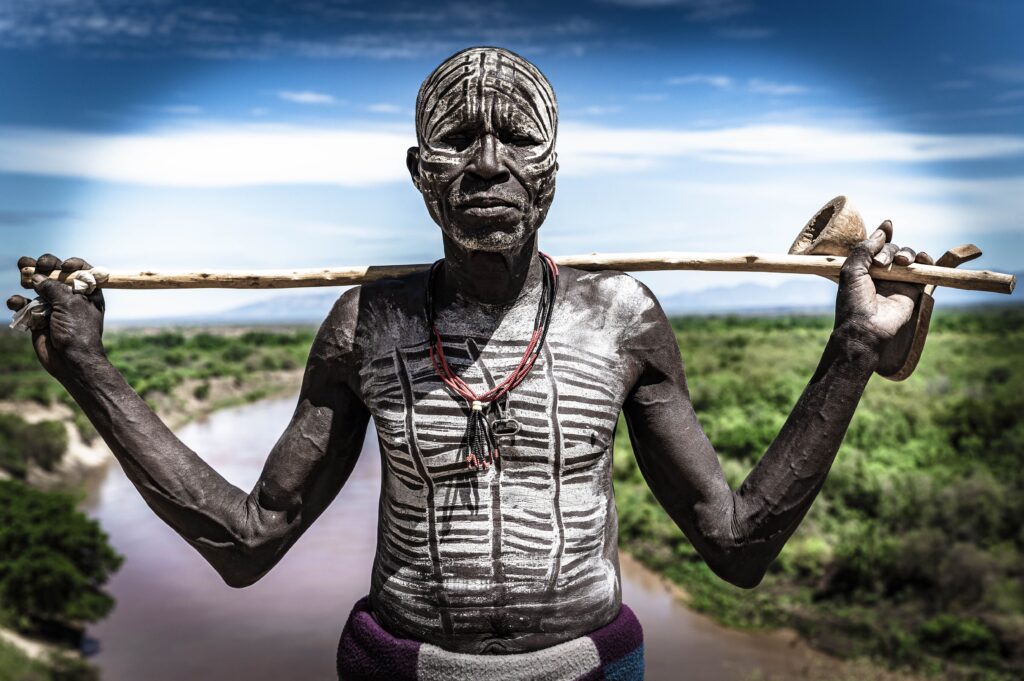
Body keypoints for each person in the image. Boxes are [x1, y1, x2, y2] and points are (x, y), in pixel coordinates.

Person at [8, 47, 939, 680]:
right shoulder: (365, 326)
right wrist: (90, 370)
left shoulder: (622, 320)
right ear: (420, 173)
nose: (486, 165)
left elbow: (735, 545)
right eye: (456, 142)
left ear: (551, 175)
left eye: (516, 143)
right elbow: (253, 540)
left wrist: (852, 350)